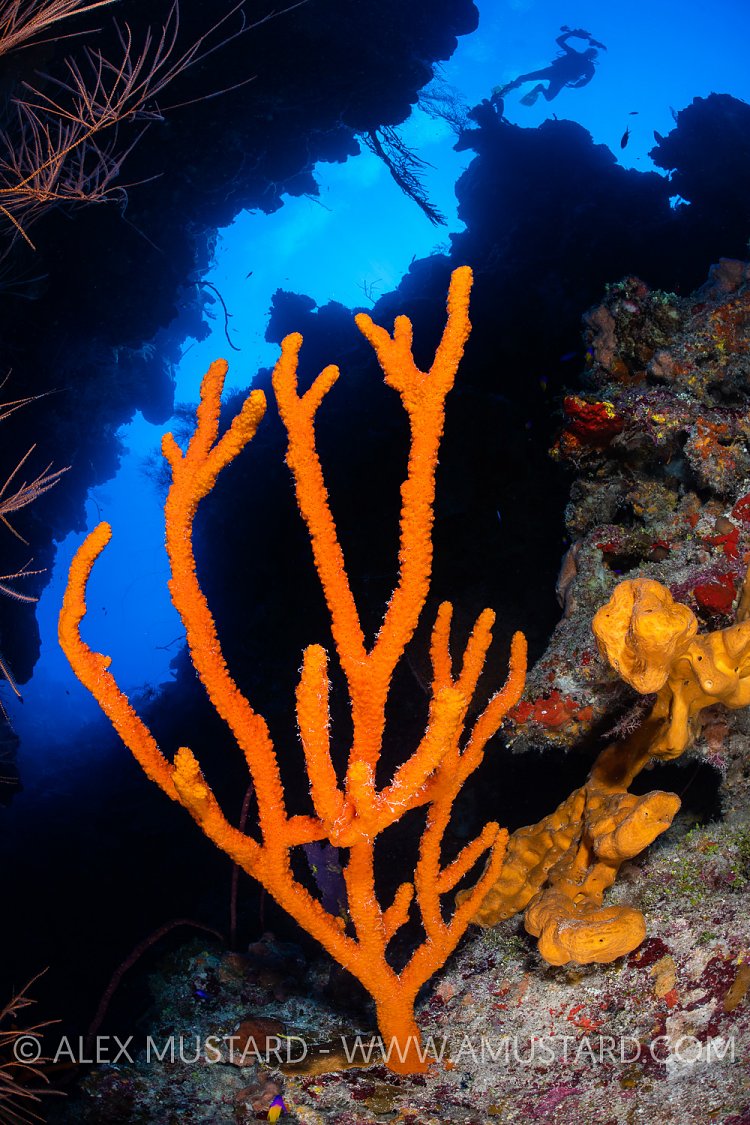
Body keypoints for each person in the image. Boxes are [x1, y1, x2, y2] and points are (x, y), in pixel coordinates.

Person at [492, 26, 606, 107]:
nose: (587, 54)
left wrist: (572, 34)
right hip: (557, 75)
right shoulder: (580, 59)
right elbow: (559, 40)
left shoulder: (584, 62)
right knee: (526, 79)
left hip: (558, 77)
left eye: (590, 53)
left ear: (590, 55)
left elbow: (586, 80)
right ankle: (511, 87)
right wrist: (571, 34)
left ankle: (538, 88)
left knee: (547, 96)